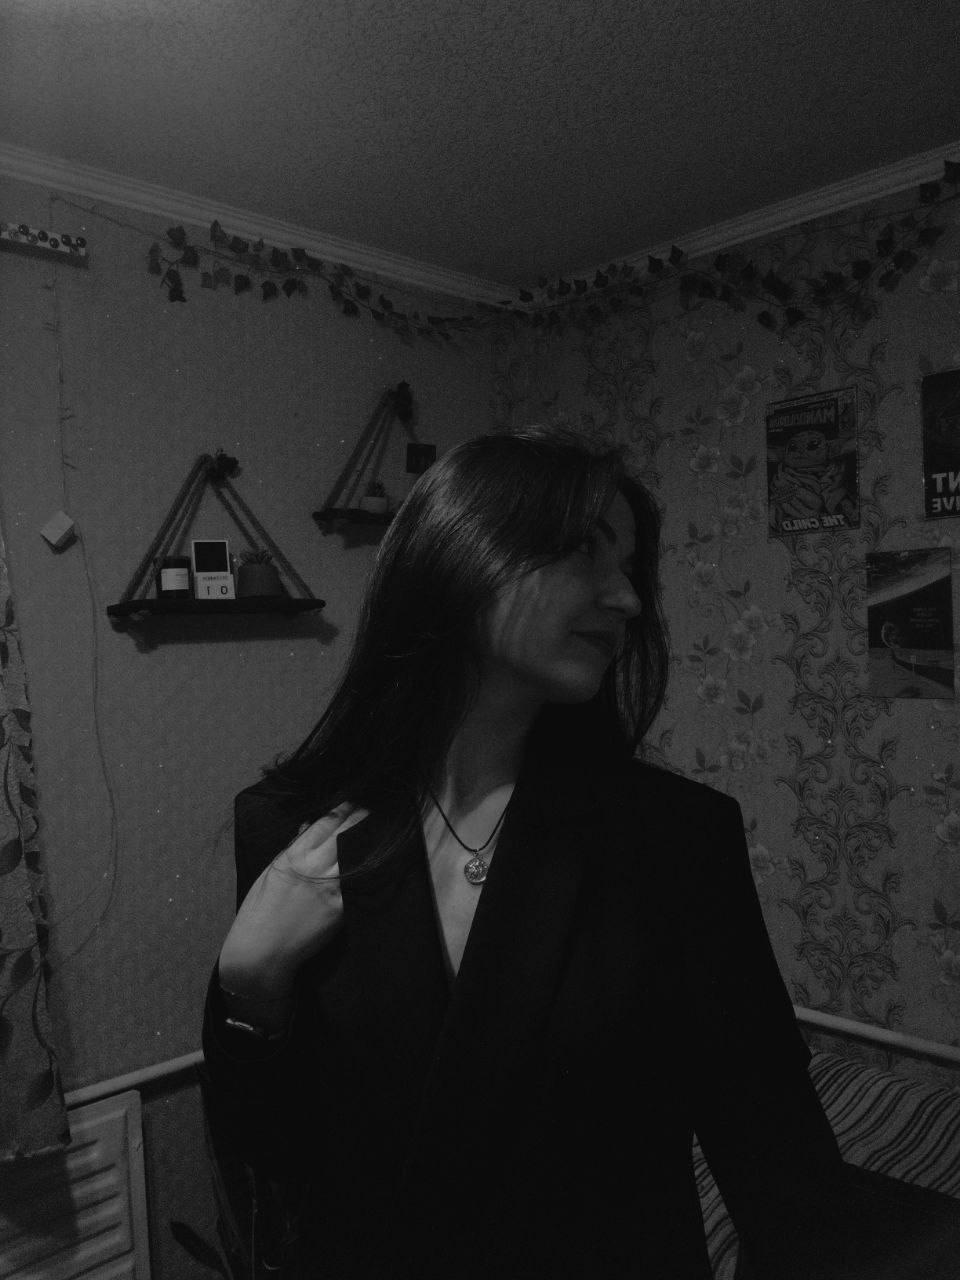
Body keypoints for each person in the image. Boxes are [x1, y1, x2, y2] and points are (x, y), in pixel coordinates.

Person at [202, 427, 869, 1279]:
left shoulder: (673, 840)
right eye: (586, 550)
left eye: (630, 566)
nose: (626, 598)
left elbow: (782, 1169)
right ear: (459, 556)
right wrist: (251, 985)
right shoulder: (287, 828)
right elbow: (270, 1155)